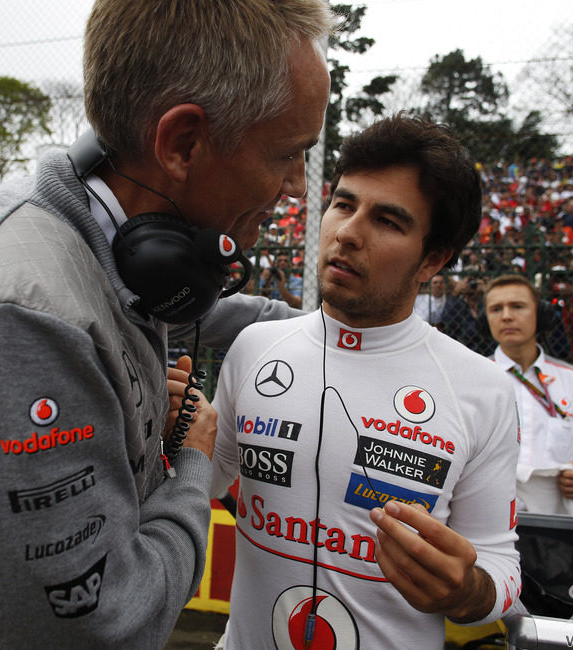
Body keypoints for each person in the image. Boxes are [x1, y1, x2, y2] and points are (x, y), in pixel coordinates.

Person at [0, 2, 334, 648]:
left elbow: (226, 313)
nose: (294, 186)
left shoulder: (103, 248)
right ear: (182, 143)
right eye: (289, 154)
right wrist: (191, 465)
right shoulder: (23, 318)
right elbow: (102, 628)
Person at [204, 114, 522, 649]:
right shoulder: (256, 347)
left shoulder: (481, 390)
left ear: (434, 258)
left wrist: (465, 591)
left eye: (388, 221)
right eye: (344, 204)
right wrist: (175, 440)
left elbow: (499, 562)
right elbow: (198, 487)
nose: (348, 233)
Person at [485, 274, 573, 515]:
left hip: (555, 530)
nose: (506, 316)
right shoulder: (468, 378)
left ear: (541, 315)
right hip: (484, 524)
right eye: (496, 309)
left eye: (517, 306)